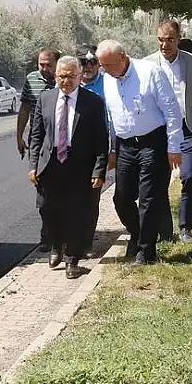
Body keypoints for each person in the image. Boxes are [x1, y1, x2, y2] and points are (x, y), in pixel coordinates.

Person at [95, 39, 183, 264]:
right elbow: (113, 118)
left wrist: (174, 147)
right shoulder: (107, 80)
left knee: (148, 198)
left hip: (152, 142)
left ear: (123, 57)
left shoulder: (150, 72)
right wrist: (113, 149)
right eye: (102, 66)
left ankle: (145, 251)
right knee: (121, 198)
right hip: (125, 145)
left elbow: (172, 111)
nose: (105, 70)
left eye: (109, 65)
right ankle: (139, 232)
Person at [28, 56, 110, 279]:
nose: (66, 81)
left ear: (79, 76)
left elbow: (101, 140)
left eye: (71, 76)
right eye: (62, 76)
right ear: (56, 76)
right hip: (50, 165)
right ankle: (56, 245)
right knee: (47, 208)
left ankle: (72, 260)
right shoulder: (45, 99)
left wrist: (99, 170)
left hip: (79, 166)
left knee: (77, 214)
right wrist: (33, 165)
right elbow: (36, 136)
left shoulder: (92, 102)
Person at [143, 20, 192, 244]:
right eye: (161, 40)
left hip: (187, 128)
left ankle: (185, 228)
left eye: (170, 40)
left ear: (179, 39)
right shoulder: (147, 64)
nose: (165, 45)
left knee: (189, 176)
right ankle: (164, 231)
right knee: (159, 181)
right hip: (159, 131)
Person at [17, 47, 59, 251]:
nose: (44, 68)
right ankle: (47, 234)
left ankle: (63, 234)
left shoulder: (64, 80)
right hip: (38, 141)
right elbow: (24, 108)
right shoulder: (31, 80)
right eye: (40, 64)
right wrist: (19, 137)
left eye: (48, 65)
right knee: (42, 191)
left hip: (61, 141)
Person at [79, 47, 109, 248]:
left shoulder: (108, 83)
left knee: (90, 197)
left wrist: (112, 150)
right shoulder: (68, 82)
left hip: (97, 148)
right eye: (84, 62)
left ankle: (86, 241)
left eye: (93, 62)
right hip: (70, 150)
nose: (88, 66)